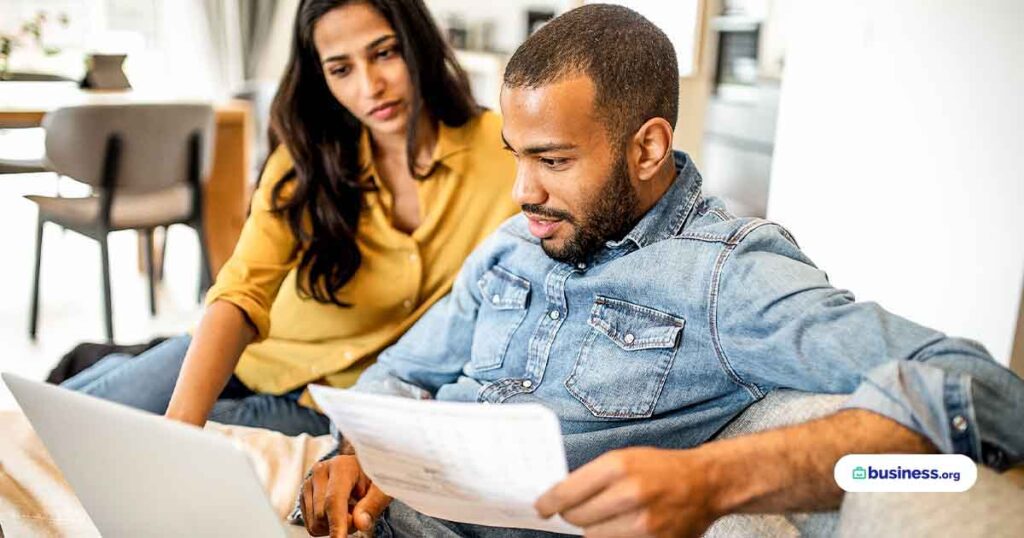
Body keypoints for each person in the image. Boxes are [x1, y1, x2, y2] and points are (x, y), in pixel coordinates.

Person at [296, 4, 1024, 537]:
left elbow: (986, 390)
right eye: (516, 155)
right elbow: (400, 372)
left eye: (552, 160)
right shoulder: (515, 245)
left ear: (647, 149)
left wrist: (712, 478)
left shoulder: (726, 276)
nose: (523, 192)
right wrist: (358, 453)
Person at [60, 0, 519, 436]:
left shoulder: (505, 153)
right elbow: (241, 290)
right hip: (246, 354)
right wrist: (181, 423)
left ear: (418, 42)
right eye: (341, 69)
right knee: (55, 426)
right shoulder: (307, 159)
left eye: (385, 53)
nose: (369, 86)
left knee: (127, 443)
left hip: (333, 402)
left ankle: (114, 369)